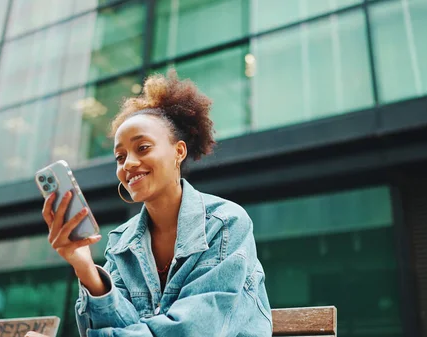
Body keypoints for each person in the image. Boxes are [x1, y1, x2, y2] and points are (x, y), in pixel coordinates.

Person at [39, 70, 272, 337]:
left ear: (179, 151)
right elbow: (115, 327)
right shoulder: (121, 242)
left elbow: (192, 331)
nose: (128, 164)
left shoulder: (227, 224)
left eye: (143, 148)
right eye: (120, 156)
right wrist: (85, 268)